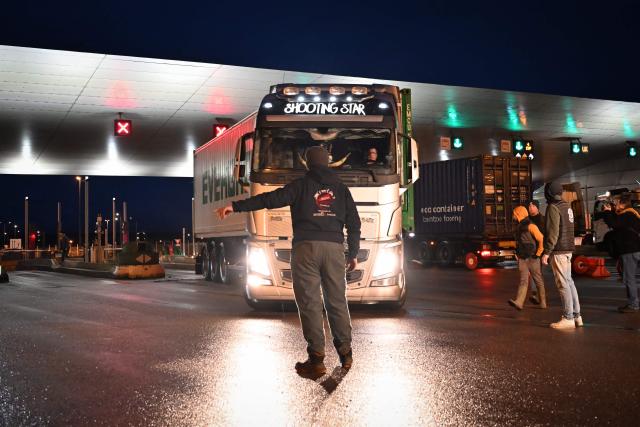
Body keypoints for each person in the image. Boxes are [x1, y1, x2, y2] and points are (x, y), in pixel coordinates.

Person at [217, 146, 361, 378]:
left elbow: (270, 199)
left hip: (305, 250)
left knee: (310, 303)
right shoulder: (342, 190)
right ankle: (345, 354)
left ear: (307, 164)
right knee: (337, 301)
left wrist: (235, 206)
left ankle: (316, 360)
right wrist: (353, 253)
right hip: (334, 249)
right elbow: (354, 224)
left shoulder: (300, 185)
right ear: (328, 163)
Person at [542, 181, 582, 329]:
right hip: (568, 249)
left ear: (549, 193)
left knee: (562, 284)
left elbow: (553, 233)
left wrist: (546, 252)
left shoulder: (553, 207)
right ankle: (577, 316)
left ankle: (568, 317)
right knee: (569, 282)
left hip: (558, 250)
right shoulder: (567, 206)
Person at [602, 194, 640, 313]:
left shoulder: (626, 215)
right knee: (631, 278)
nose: (615, 205)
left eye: (616, 203)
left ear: (623, 204)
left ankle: (633, 304)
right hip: (636, 249)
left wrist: (607, 212)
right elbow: (617, 223)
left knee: (629, 278)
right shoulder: (633, 213)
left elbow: (614, 224)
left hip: (630, 251)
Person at [509, 206, 547, 310]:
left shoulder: (531, 226)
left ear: (518, 214)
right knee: (524, 280)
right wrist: (517, 253)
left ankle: (543, 303)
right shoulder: (519, 227)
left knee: (537, 280)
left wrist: (538, 254)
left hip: (532, 258)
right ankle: (519, 302)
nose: (513, 216)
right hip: (523, 258)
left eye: (514, 214)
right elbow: (519, 243)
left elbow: (541, 239)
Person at [527, 200, 545, 304]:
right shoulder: (527, 220)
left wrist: (544, 252)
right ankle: (535, 295)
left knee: (537, 273)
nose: (530, 207)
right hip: (529, 251)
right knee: (533, 273)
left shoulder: (542, 220)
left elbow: (544, 236)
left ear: (537, 207)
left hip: (539, 251)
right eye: (529, 206)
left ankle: (537, 296)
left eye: (532, 205)